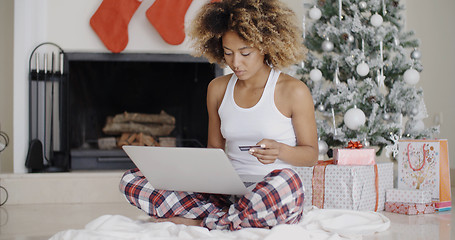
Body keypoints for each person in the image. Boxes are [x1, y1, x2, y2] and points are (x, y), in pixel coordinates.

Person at [119, 0, 318, 230]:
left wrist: (281, 150)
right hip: (225, 192)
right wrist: (189, 173)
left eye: (245, 53)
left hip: (271, 190)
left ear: (265, 45)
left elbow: (311, 155)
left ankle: (204, 221)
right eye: (228, 53)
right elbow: (214, 149)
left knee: (287, 184)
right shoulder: (217, 88)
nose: (235, 62)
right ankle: (228, 218)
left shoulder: (293, 90)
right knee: (132, 180)